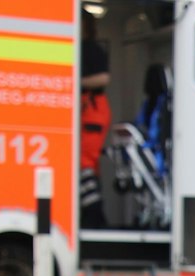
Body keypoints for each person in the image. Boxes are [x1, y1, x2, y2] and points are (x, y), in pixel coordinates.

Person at [79, 9, 111, 228]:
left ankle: (95, 216)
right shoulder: (80, 47)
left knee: (84, 162)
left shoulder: (91, 49)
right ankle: (91, 214)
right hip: (88, 110)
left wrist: (78, 82)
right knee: (87, 165)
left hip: (93, 109)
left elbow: (104, 77)